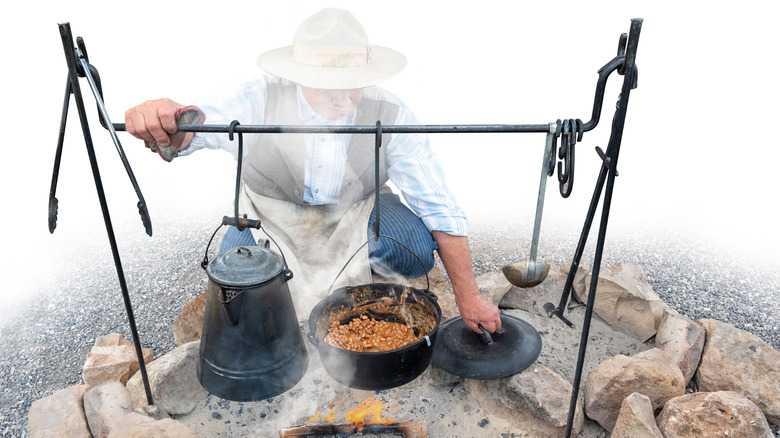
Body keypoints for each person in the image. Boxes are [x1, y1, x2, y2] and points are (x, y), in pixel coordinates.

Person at [125, 8, 501, 334]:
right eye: (326, 86)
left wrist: (469, 297)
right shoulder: (258, 96)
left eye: (352, 85)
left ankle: (337, 277)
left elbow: (438, 205)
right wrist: (167, 120)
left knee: (417, 249)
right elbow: (192, 130)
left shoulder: (390, 112)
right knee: (236, 281)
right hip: (268, 216)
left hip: (357, 213)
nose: (341, 98)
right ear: (298, 75)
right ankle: (292, 279)